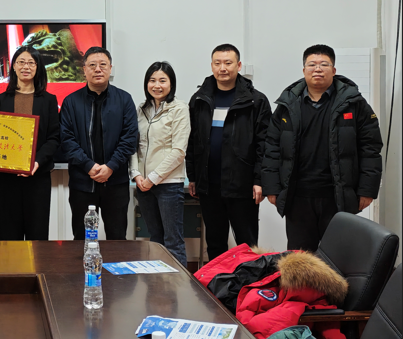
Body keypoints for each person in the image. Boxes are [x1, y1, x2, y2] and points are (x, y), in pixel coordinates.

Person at [262, 44, 383, 251]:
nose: (317, 69)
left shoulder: (354, 104)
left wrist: (367, 189)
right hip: (297, 196)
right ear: (304, 70)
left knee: (338, 255)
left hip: (337, 196)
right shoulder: (287, 105)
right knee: (301, 258)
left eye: (324, 64)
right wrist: (271, 187)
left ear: (334, 70)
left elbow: (370, 148)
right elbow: (272, 147)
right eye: (312, 64)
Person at [186, 44, 272, 262]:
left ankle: (249, 282)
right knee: (215, 243)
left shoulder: (256, 101)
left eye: (228, 63)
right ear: (211, 66)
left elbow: (264, 145)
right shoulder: (199, 99)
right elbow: (192, 141)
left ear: (239, 65)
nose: (222, 68)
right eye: (217, 63)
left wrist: (259, 180)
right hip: (209, 186)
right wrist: (193, 177)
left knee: (247, 244)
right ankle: (217, 282)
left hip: (242, 185)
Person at [60, 47, 138, 240]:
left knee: (117, 238)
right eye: (92, 65)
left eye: (103, 65)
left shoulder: (124, 99)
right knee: (82, 238)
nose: (98, 69)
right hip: (82, 183)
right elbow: (66, 139)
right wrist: (89, 165)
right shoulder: (71, 102)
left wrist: (110, 167)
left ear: (110, 68)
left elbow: (130, 138)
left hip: (116, 183)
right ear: (84, 69)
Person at [0, 46, 60, 240]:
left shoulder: (49, 100)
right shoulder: (1, 100)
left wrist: (36, 162)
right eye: (21, 62)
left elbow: (54, 137)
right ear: (13, 66)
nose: (26, 67)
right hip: (7, 178)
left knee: (37, 235)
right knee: (8, 236)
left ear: (38, 67)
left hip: (38, 176)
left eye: (31, 63)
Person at [130, 62, 190, 267]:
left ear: (171, 84)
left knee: (173, 241)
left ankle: (179, 285)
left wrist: (153, 178)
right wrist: (136, 174)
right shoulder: (141, 109)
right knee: (155, 240)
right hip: (143, 185)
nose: (157, 85)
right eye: (152, 80)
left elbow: (179, 151)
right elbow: (134, 145)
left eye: (162, 80)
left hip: (168, 185)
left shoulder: (179, 109)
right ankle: (157, 283)